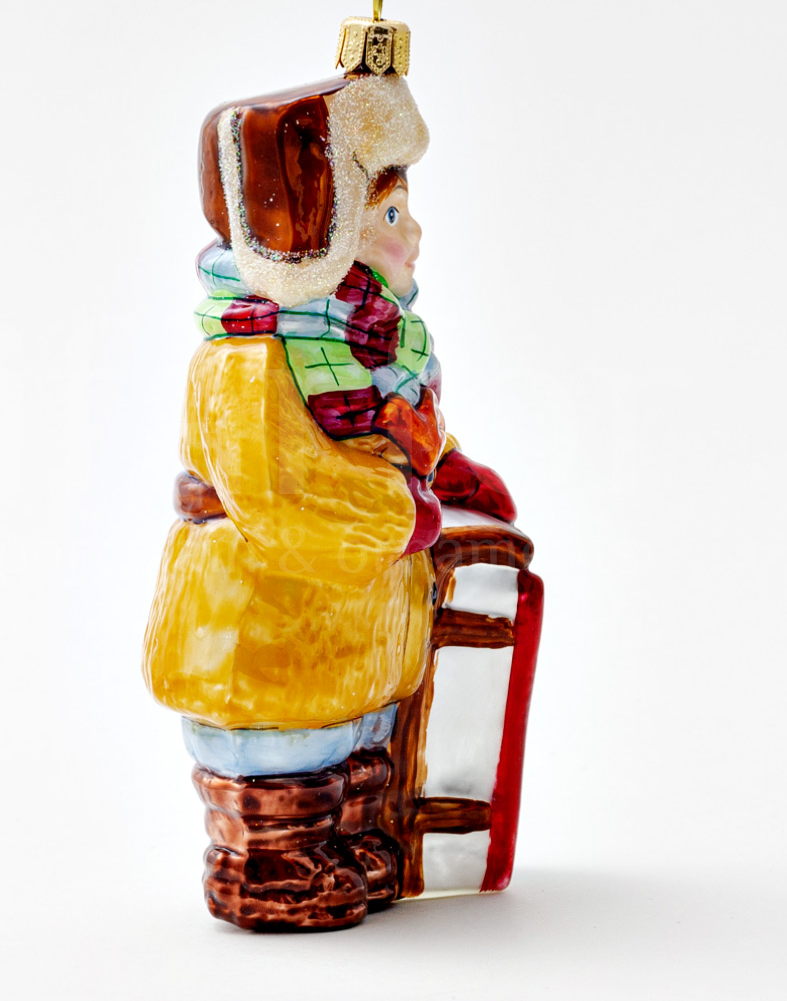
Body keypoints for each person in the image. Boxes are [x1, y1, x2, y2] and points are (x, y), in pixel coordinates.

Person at [143, 68, 514, 930]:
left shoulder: (372, 349)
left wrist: (446, 467)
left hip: (355, 630)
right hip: (264, 631)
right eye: (389, 214)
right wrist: (412, 513)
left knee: (356, 768)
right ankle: (268, 870)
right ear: (328, 234)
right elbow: (286, 494)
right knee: (286, 777)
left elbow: (395, 433)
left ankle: (351, 847)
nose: (413, 233)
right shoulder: (247, 360)